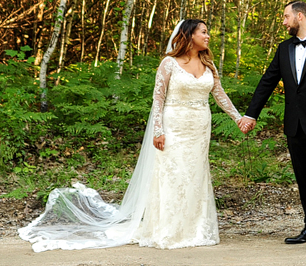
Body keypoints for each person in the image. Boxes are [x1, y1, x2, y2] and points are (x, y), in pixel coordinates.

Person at [19, 19, 243, 251]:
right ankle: (167, 230)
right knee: (171, 175)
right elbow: (158, 98)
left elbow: (220, 95)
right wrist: (158, 130)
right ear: (189, 35)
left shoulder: (208, 64)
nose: (208, 36)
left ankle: (195, 229)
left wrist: (239, 118)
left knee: (196, 175)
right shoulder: (169, 63)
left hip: (199, 127)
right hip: (173, 125)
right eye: (204, 32)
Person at [238, 1, 306, 257]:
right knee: (304, 178)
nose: (284, 22)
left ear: (300, 16)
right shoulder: (284, 48)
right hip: (295, 127)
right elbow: (268, 81)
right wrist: (251, 114)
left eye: (286, 17)